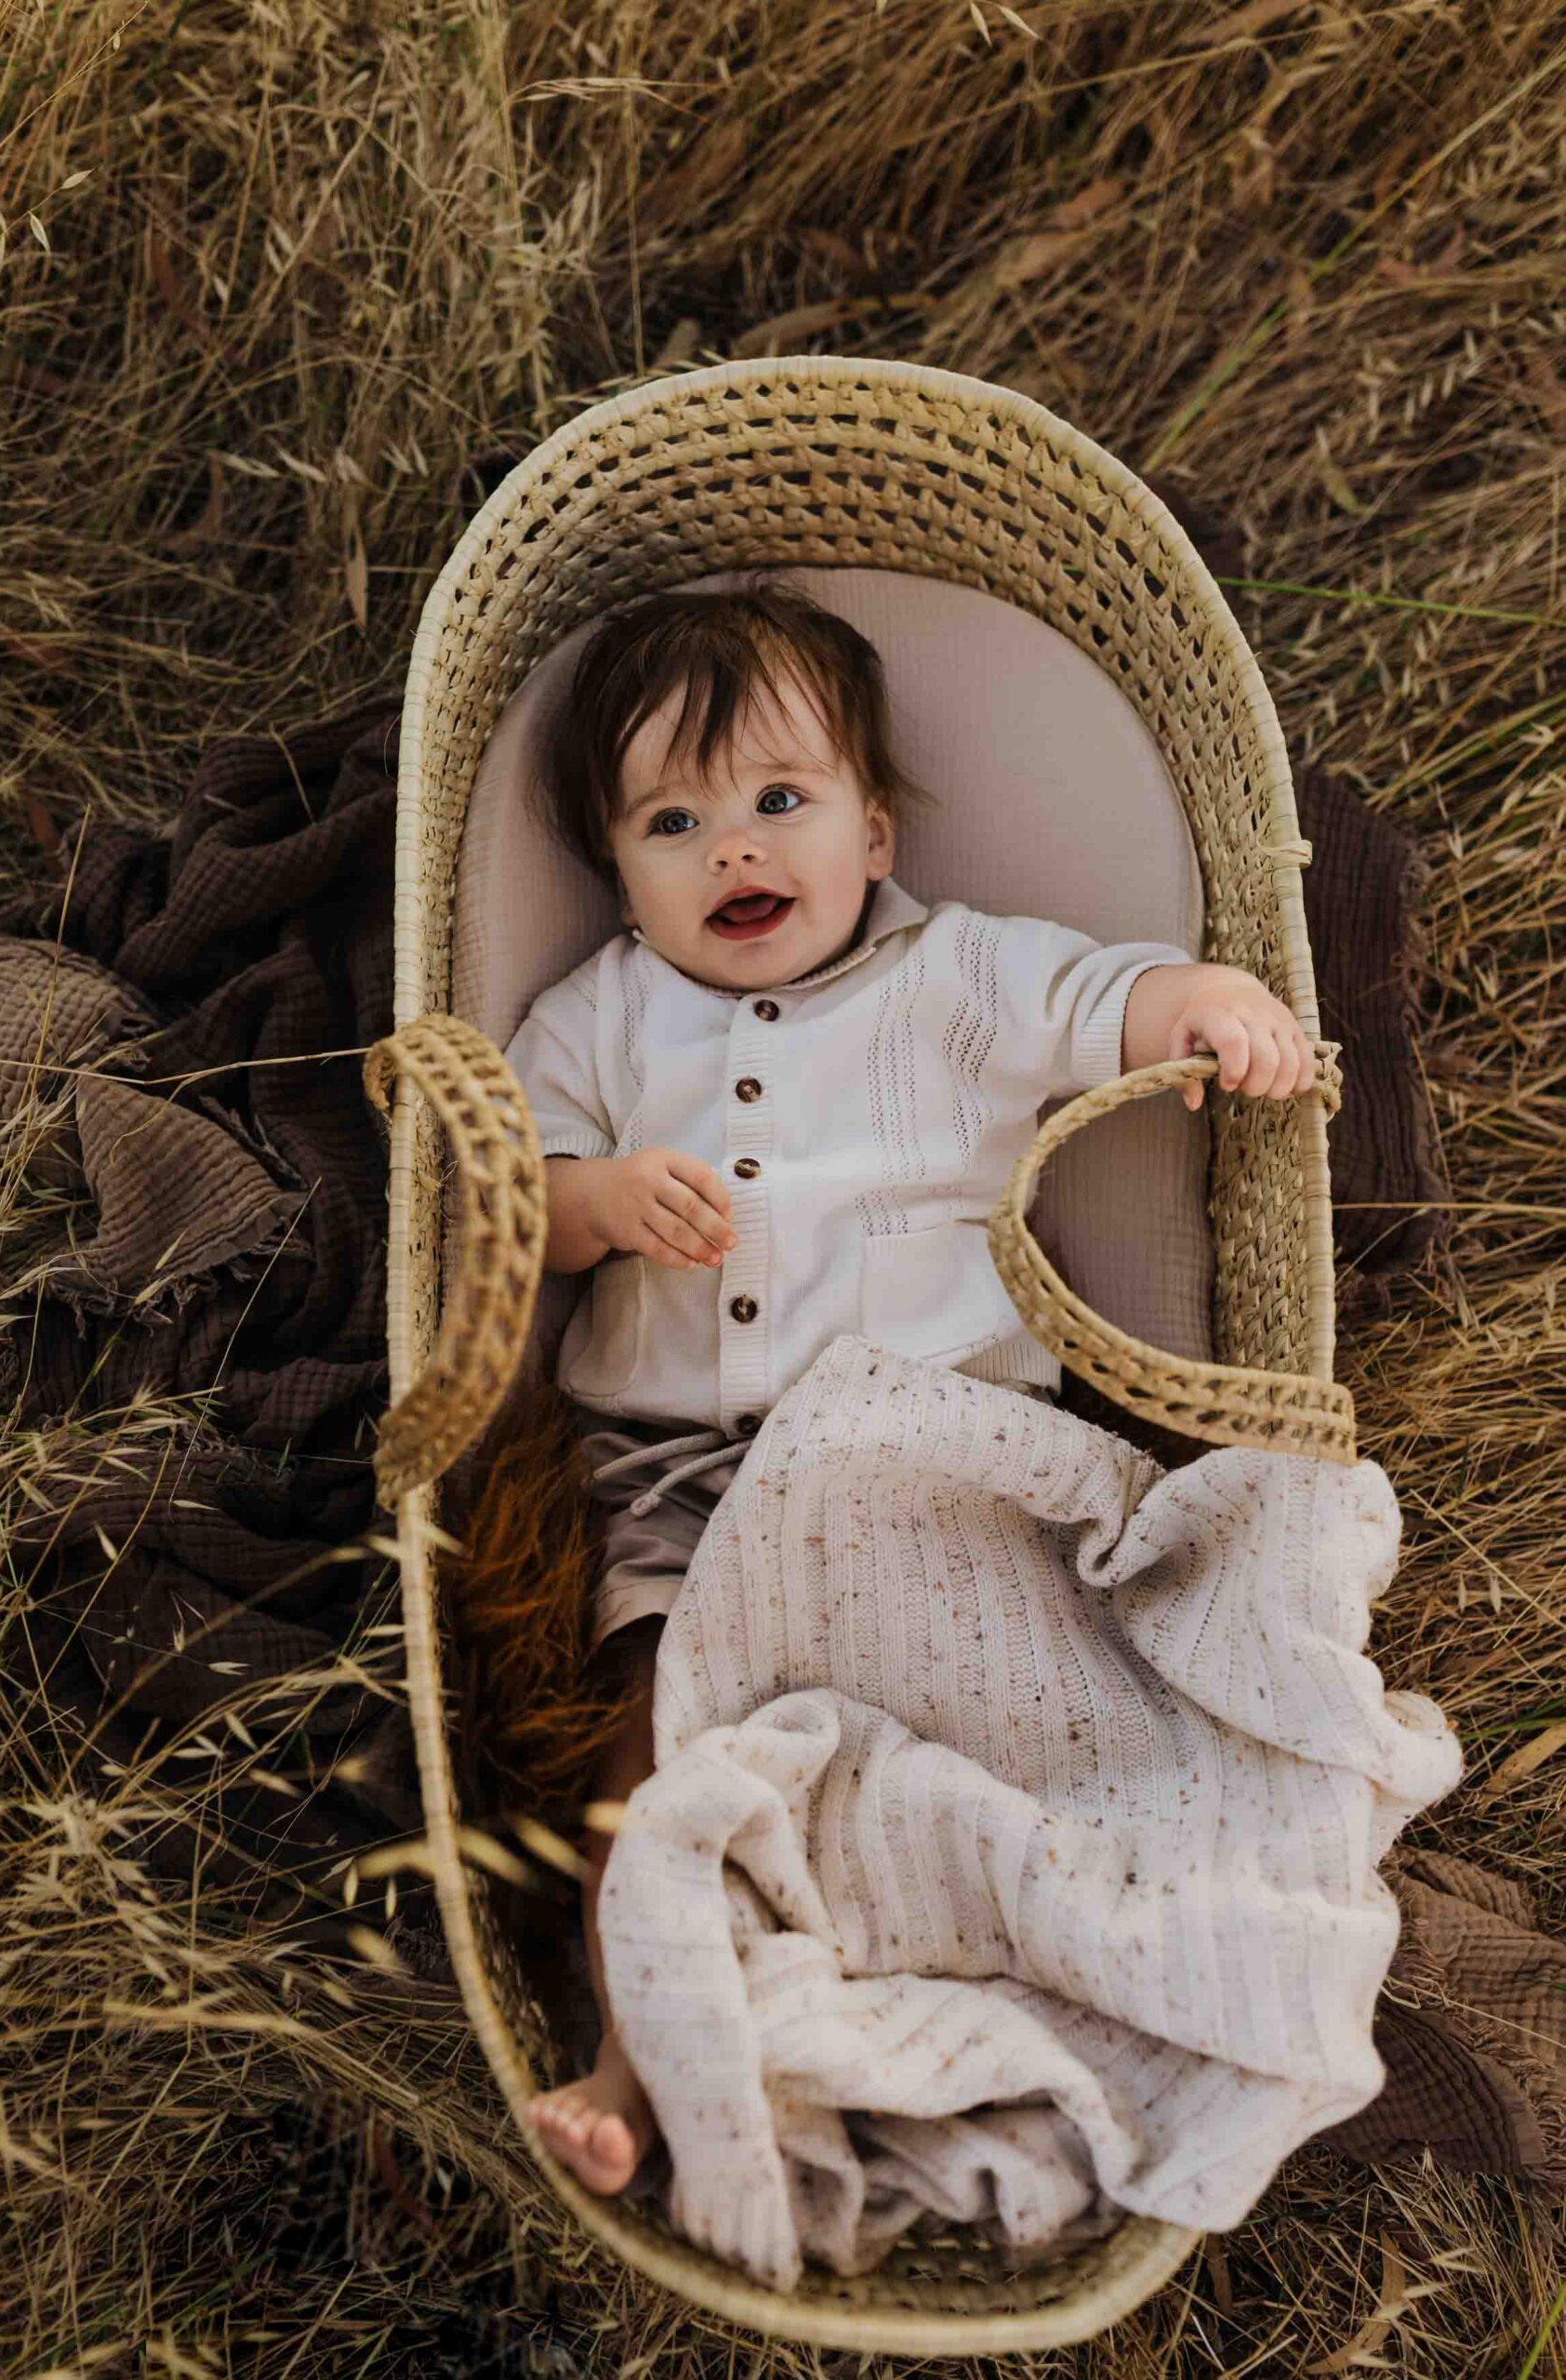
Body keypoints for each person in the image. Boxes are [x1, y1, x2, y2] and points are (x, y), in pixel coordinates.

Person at [504, 578, 1320, 2194]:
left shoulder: (956, 976)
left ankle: (994, 1962)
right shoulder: (598, 1014)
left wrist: (1201, 1004)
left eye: (779, 803)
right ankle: (636, 2051)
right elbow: (500, 1185)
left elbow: (1103, 1003)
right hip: (680, 1469)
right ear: (615, 869)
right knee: (650, 1748)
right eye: (673, 820)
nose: (733, 850)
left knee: (986, 1732)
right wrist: (591, 1206)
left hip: (939, 1465)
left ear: (875, 835)